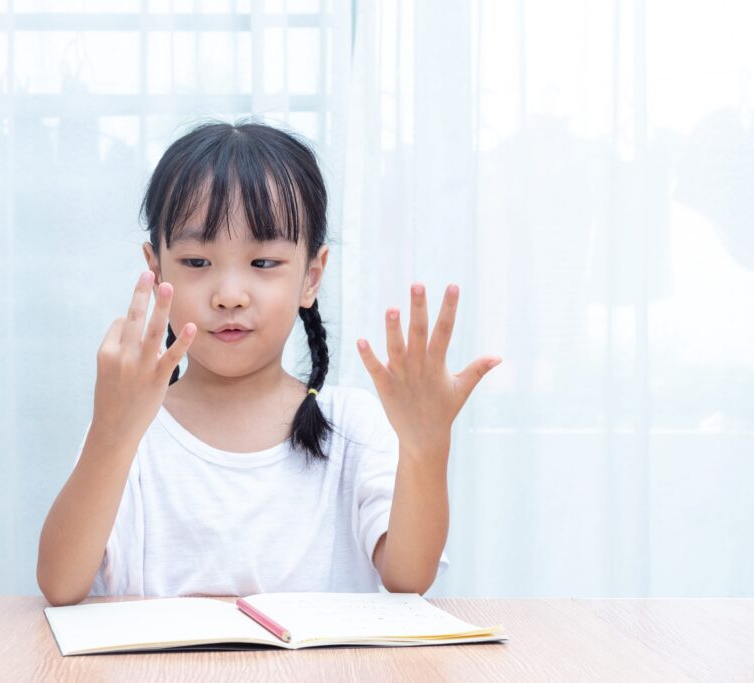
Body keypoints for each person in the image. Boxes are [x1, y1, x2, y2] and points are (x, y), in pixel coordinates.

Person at [36, 119, 501, 606]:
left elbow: (410, 576)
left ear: (311, 276)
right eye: (197, 262)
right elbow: (60, 584)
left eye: (263, 264)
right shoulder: (130, 427)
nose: (230, 295)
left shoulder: (350, 425)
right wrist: (111, 433)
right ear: (156, 272)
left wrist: (426, 445)